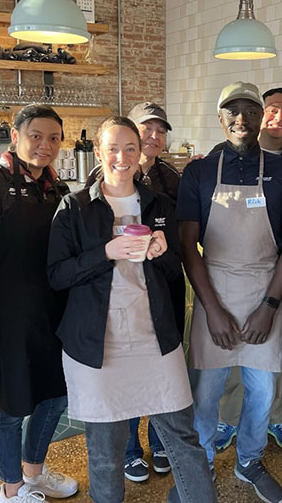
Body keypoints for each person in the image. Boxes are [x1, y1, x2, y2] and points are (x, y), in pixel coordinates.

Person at [47, 116, 216, 503]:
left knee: (183, 440)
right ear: (98, 152)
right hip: (96, 346)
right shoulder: (73, 208)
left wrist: (160, 253)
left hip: (154, 338)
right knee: (106, 452)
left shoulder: (159, 203)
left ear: (140, 154)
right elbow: (57, 274)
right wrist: (104, 253)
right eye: (112, 148)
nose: (121, 157)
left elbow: (175, 270)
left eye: (130, 148)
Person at [178, 82, 282, 503]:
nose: (241, 118)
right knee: (207, 393)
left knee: (263, 392)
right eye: (232, 110)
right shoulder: (198, 172)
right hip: (213, 287)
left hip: (266, 289)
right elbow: (187, 244)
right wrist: (212, 310)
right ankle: (200, 470)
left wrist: (270, 306)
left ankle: (249, 459)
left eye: (251, 110)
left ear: (262, 116)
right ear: (220, 117)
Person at [0, 105, 78, 503]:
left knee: (55, 396)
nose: (45, 146)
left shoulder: (57, 188)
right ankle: (10, 490)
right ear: (15, 135)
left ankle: (34, 475)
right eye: (36, 136)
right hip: (5, 321)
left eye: (54, 138)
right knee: (11, 407)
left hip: (51, 317)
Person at [209, 87, 282, 454]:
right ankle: (228, 419)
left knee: (272, 362)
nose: (278, 118)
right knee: (230, 359)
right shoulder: (216, 163)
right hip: (227, 281)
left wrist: (273, 297)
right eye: (272, 110)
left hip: (276, 276)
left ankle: (276, 419)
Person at [86, 102, 182, 482]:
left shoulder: (168, 186)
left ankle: (159, 444)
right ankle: (129, 450)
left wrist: (163, 252)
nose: (152, 138)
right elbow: (66, 267)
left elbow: (177, 258)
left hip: (158, 302)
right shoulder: (86, 198)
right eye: (146, 131)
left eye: (159, 131)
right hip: (109, 310)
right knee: (123, 382)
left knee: (158, 383)